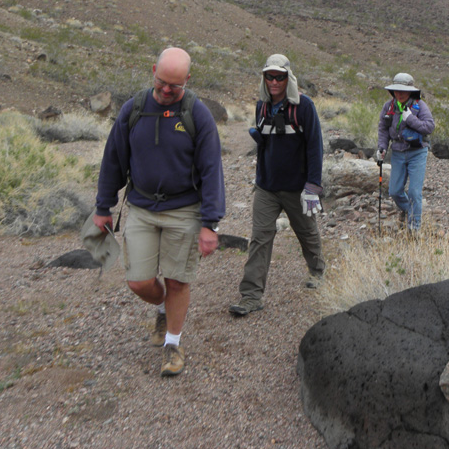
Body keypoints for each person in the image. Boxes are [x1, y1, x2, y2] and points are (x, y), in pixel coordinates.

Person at [93, 47, 225, 377]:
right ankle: (165, 307)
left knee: (179, 280)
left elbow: (212, 170)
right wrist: (102, 206)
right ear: (153, 70)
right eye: (162, 82)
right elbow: (113, 159)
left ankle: (173, 344)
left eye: (175, 86)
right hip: (140, 206)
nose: (167, 90)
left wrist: (210, 224)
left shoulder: (198, 114)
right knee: (139, 282)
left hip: (184, 208)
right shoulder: (133, 109)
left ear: (187, 81)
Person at [229, 54, 324, 316]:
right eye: (269, 76)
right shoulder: (262, 105)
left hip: (297, 188)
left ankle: (318, 273)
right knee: (260, 238)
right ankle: (251, 296)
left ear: (288, 78)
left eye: (279, 77)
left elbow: (315, 148)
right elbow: (265, 148)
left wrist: (312, 188)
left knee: (307, 234)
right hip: (267, 187)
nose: (274, 81)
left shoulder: (304, 107)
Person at [377, 73, 435, 232]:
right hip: (397, 152)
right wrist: (382, 147)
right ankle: (409, 210)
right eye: (396, 90)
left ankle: (414, 229)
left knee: (415, 192)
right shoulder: (388, 107)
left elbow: (429, 127)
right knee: (394, 191)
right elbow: (383, 129)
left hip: (417, 152)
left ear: (410, 91)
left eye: (403, 90)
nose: (399, 94)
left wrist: (410, 119)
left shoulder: (420, 106)